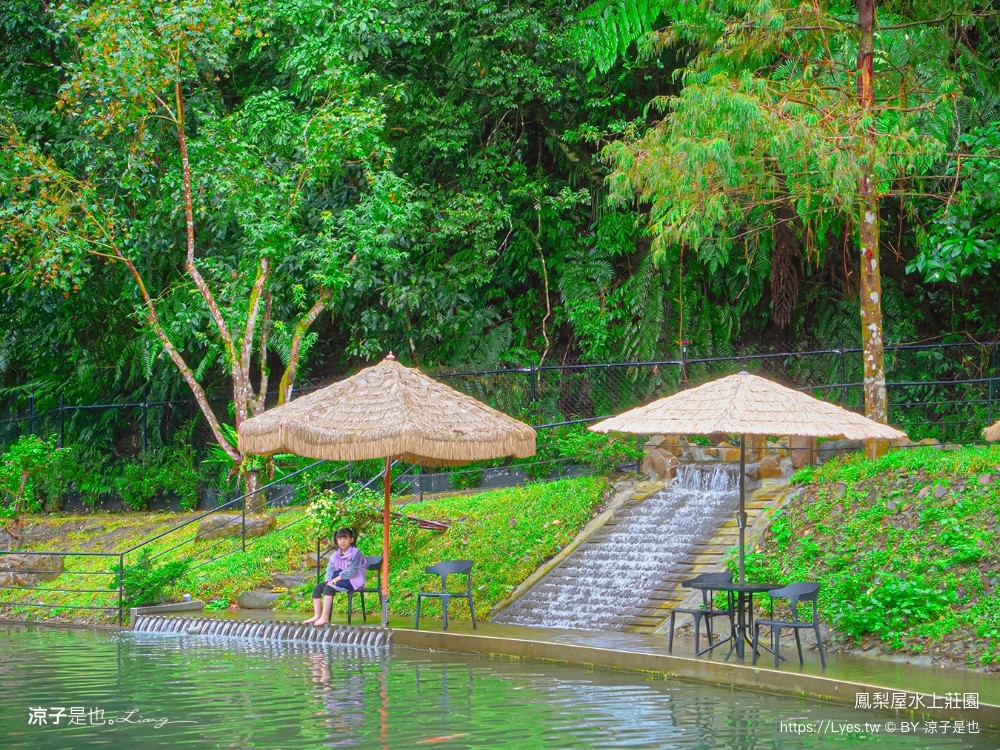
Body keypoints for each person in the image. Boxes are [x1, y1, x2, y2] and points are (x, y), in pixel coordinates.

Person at [304, 527, 366, 627]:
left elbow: (353, 571)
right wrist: (328, 580)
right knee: (318, 588)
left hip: (353, 581)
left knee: (329, 588)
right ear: (337, 540)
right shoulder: (335, 555)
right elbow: (330, 569)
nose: (342, 541)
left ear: (351, 540)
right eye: (340, 539)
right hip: (339, 580)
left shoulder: (356, 553)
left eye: (345, 538)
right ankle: (316, 616)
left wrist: (336, 579)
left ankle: (324, 617)